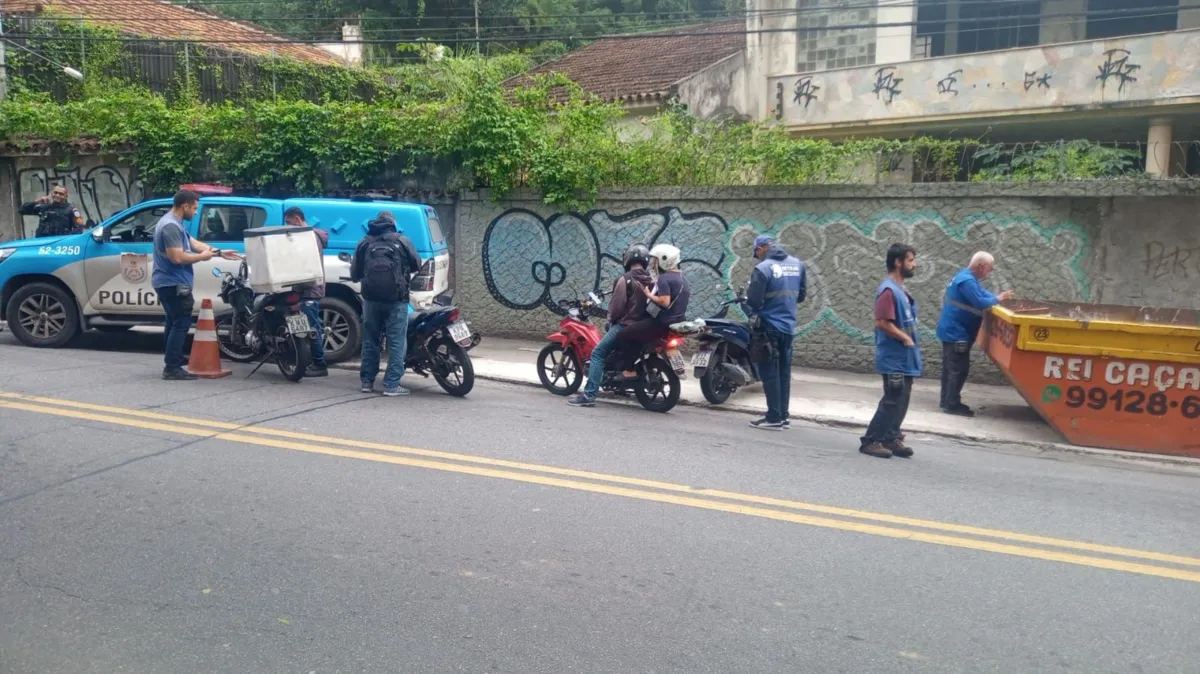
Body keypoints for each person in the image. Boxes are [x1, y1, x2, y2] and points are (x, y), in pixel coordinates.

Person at [152, 189, 239, 381]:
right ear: (185, 206)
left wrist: (218, 253)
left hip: (169, 282)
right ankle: (172, 367)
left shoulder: (175, 223)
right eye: (194, 208)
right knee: (181, 323)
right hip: (173, 282)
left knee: (173, 322)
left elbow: (193, 243)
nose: (196, 212)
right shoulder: (170, 227)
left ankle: (173, 358)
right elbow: (177, 257)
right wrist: (203, 257)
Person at [567, 244, 654, 407]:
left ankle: (589, 395)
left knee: (598, 353)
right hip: (645, 326)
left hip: (626, 326)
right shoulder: (651, 280)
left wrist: (611, 319)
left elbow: (616, 308)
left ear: (627, 260)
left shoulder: (625, 280)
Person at [860, 243, 922, 459]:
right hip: (894, 357)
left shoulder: (900, 289)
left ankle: (891, 437)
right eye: (911, 260)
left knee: (902, 399)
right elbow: (882, 322)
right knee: (892, 399)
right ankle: (871, 440)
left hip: (905, 358)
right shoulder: (888, 290)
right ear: (898, 262)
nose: (914, 265)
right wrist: (905, 338)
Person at [351, 210, 421, 397]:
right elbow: (417, 264)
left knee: (370, 340)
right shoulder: (402, 240)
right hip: (397, 299)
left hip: (371, 299)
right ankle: (391, 384)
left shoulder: (365, 242)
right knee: (397, 341)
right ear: (393, 223)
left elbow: (354, 273)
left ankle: (367, 382)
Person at [936, 251, 1015, 417]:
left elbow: (983, 295)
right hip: (957, 332)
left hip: (955, 330)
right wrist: (999, 298)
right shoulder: (967, 281)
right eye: (990, 268)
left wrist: (996, 298)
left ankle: (947, 400)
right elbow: (980, 302)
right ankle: (951, 404)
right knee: (958, 369)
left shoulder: (969, 279)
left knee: (951, 368)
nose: (990, 272)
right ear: (981, 266)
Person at [745, 235, 807, 431]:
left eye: (756, 252)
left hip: (768, 327)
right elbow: (802, 295)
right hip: (788, 326)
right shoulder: (797, 265)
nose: (757, 257)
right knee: (783, 372)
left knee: (769, 372)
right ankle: (783, 416)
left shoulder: (763, 269)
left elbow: (753, 301)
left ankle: (773, 417)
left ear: (762, 248)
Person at [612, 243, 691, 374]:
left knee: (623, 335)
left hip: (661, 323)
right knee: (637, 332)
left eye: (656, 260)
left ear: (664, 260)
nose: (653, 263)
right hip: (677, 321)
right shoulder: (683, 279)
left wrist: (648, 294)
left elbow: (665, 302)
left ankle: (629, 369)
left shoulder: (664, 278)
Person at [284, 206, 331, 378]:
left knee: (311, 328)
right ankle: (312, 362)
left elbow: (306, 265)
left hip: (309, 289)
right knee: (308, 326)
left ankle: (319, 364)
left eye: (289, 222)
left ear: (297, 219)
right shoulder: (310, 236)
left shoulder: (308, 238)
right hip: (308, 288)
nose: (289, 226)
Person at [20, 184, 84, 238]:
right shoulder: (44, 207)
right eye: (55, 193)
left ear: (65, 196)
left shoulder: (72, 210)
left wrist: (66, 240)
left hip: (60, 245)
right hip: (43, 244)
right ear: (52, 194)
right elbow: (22, 210)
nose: (57, 195)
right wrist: (37, 201)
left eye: (61, 194)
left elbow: (79, 228)